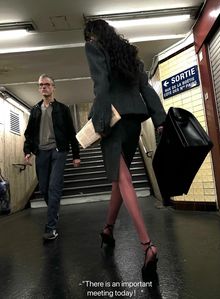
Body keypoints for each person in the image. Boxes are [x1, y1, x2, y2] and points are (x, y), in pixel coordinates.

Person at [84, 19, 166, 281]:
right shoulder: (128, 53)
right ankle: (107, 230)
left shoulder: (94, 47)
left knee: (124, 179)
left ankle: (147, 246)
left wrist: (99, 124)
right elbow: (145, 88)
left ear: (92, 35)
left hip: (114, 120)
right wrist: (160, 119)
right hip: (133, 122)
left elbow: (101, 87)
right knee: (120, 180)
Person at [23, 74, 80, 241]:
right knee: (44, 188)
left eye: (47, 84)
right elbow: (29, 134)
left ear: (53, 87)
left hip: (58, 151)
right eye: (41, 85)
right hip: (41, 152)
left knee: (54, 186)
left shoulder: (62, 109)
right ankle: (54, 211)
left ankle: (51, 227)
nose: (44, 87)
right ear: (38, 88)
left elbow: (71, 133)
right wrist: (27, 151)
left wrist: (76, 155)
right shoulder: (34, 110)